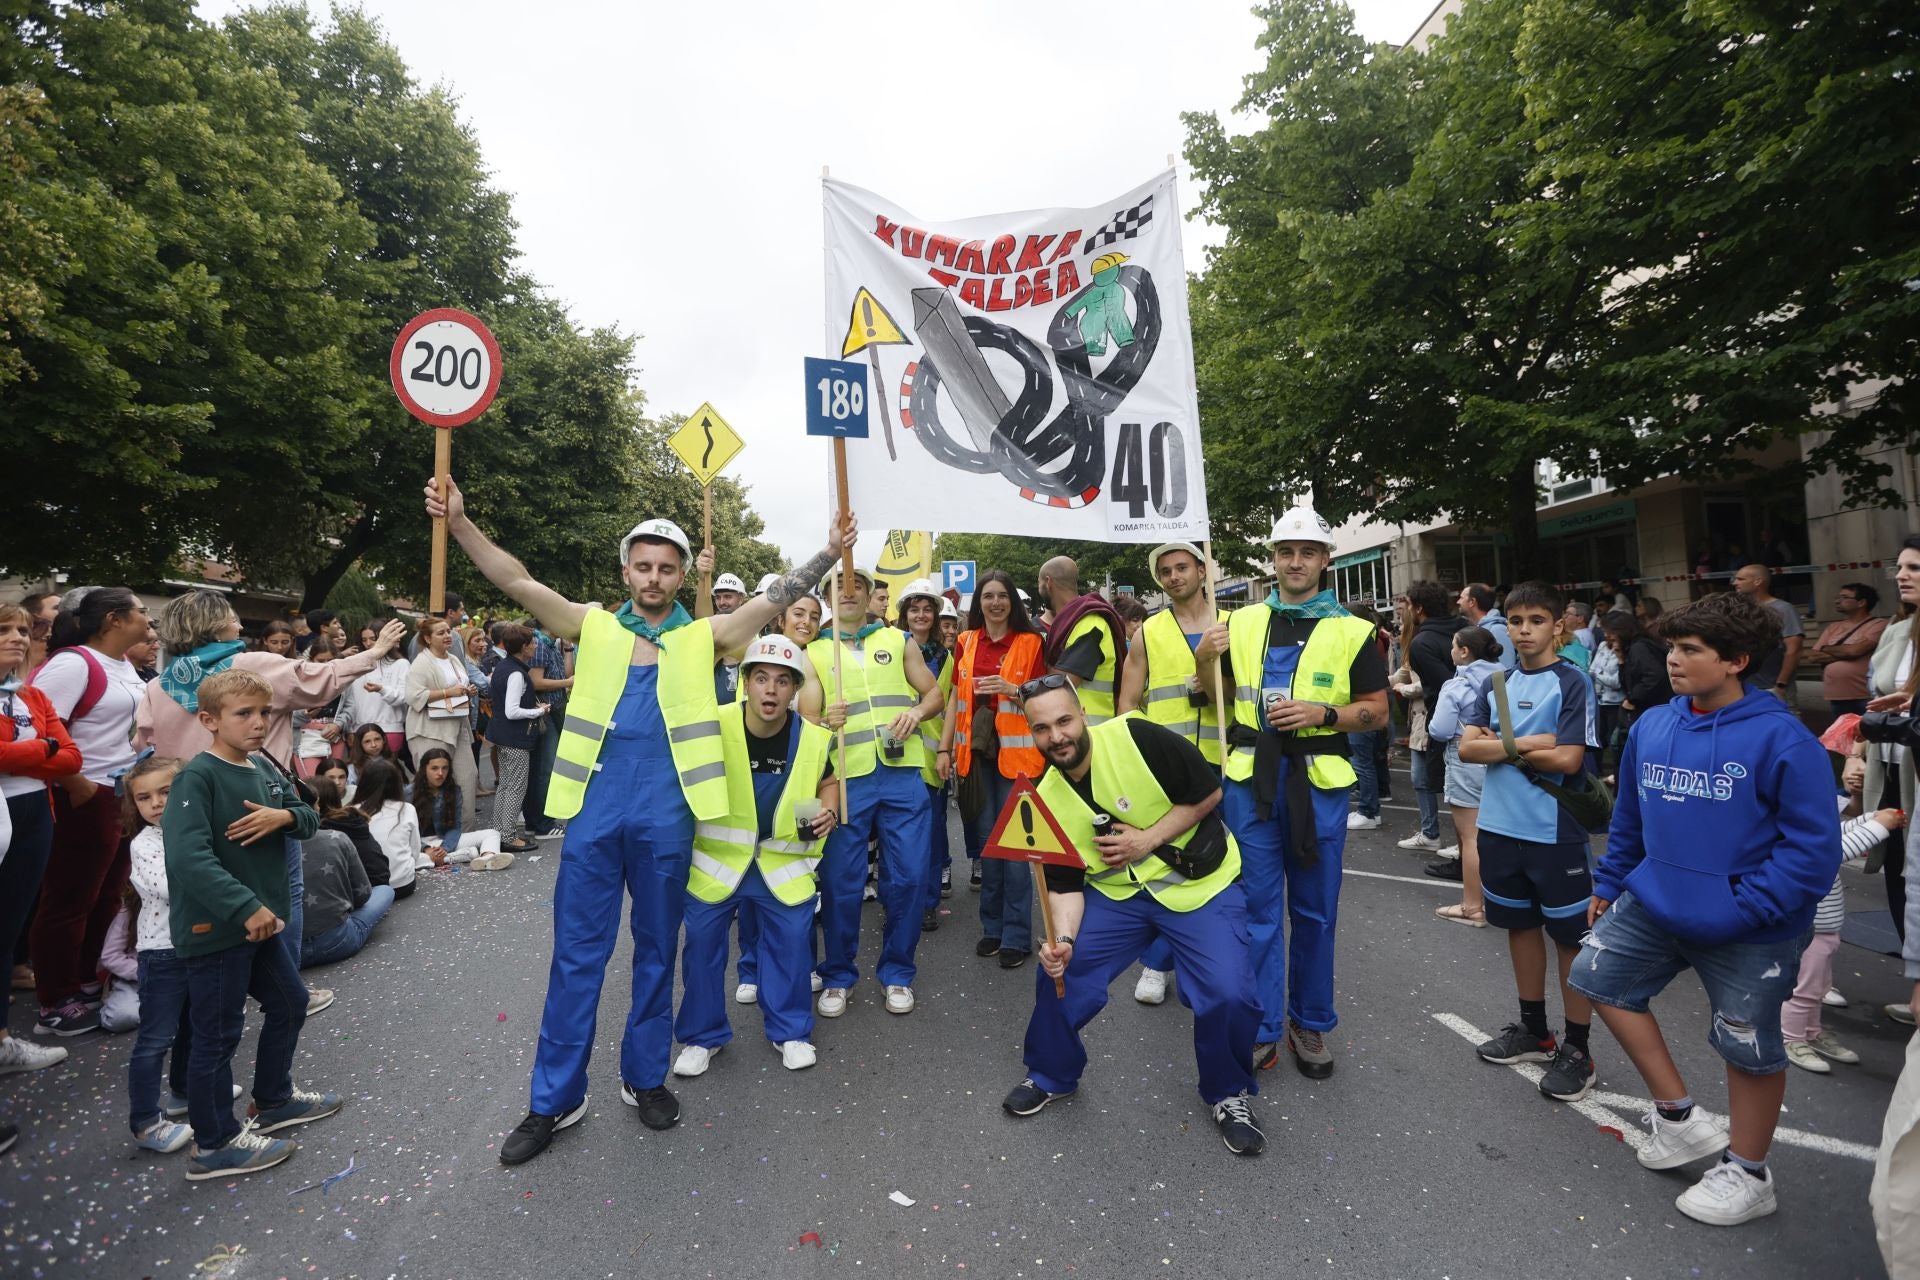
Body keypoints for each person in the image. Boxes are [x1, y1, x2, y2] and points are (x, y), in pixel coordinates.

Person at [428, 473, 851, 1165]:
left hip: (668, 814)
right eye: (643, 566)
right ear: (626, 570)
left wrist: (828, 553)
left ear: (682, 574)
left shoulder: (704, 637)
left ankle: (643, 1076)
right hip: (595, 812)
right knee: (576, 958)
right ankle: (555, 1099)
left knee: (657, 953)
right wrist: (462, 523)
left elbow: (779, 596)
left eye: (666, 567)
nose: (653, 578)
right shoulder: (589, 625)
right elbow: (518, 581)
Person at [1571, 591, 1839, 1226]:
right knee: (1596, 978)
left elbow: (1813, 851)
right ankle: (1678, 1119)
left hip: (1751, 925)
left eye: (1691, 651)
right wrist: (1609, 882)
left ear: (1736, 660)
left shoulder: (1783, 739)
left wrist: (1746, 907)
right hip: (1655, 902)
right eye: (1672, 648)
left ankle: (1749, 1173)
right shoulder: (1655, 724)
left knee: (1746, 1046)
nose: (1673, 661)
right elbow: (1630, 818)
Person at [1003, 679, 1266, 1155]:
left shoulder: (1136, 736)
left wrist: (1145, 840)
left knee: (1229, 992)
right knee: (1062, 972)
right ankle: (1052, 1074)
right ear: (1031, 733)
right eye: (1042, 728)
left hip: (1200, 887)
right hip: (1120, 896)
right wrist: (1061, 939)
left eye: (1063, 721)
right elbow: (1062, 888)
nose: (1056, 737)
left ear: (1082, 713)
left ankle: (1228, 1093)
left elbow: (1208, 792)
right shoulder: (1046, 799)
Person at [139, 589, 408, 1017]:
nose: (240, 625)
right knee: (282, 892)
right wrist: (374, 651)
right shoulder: (249, 666)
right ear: (212, 623)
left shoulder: (158, 684)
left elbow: (145, 741)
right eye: (231, 618)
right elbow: (318, 680)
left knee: (213, 894)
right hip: (258, 800)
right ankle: (286, 987)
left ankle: (226, 988)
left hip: (191, 803)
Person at [1218, 508, 1388, 1079]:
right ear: (1274, 558)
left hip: (1318, 784)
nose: (1295, 562)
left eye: (1307, 552)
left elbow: (1377, 711)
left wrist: (1324, 712)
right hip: (1251, 781)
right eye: (1286, 551)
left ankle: (1308, 1020)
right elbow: (1209, 690)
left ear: (1324, 561)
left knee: (1315, 911)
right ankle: (1263, 1025)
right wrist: (1200, 654)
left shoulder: (1355, 631)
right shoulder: (1238, 624)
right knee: (1256, 909)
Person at [162, 669, 340, 1180]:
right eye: (244, 714)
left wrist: (282, 818)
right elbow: (189, 859)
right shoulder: (198, 778)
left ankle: (274, 1100)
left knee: (290, 1002)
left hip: (263, 923)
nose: (259, 723)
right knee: (217, 1036)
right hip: (220, 928)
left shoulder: (262, 766)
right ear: (209, 720)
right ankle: (214, 1144)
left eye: (264, 712)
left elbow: (308, 817)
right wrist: (245, 907)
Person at [1458, 582, 1600, 1102]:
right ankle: (1535, 1031)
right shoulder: (1496, 680)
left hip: (1554, 830)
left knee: (1569, 940)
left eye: (1536, 620)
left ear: (1558, 624)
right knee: (1518, 927)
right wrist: (1531, 742)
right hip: (1499, 826)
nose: (1524, 630)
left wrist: (1499, 744)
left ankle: (1578, 1049)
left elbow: (1569, 760)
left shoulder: (1573, 681)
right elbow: (1467, 749)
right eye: (1516, 621)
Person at [673, 637, 839, 1075]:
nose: (771, 690)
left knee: (790, 950)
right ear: (745, 682)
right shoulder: (712, 723)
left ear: (794, 690)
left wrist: (831, 808)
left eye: (783, 681)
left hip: (783, 864)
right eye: (762, 678)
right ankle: (701, 1037)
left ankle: (790, 1031)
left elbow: (827, 780)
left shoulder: (815, 738)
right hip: (717, 863)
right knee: (702, 951)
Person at [804, 563, 943, 1018]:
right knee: (841, 884)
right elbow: (805, 721)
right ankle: (839, 974)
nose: (848, 592)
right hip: (845, 780)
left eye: (857, 585)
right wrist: (827, 721)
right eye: (838, 587)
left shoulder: (896, 640)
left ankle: (898, 972)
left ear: (868, 595)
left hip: (902, 777)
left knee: (907, 879)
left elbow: (934, 694)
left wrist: (917, 714)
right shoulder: (813, 653)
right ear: (828, 598)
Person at [28, 586, 150, 1036]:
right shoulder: (73, 663)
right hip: (84, 792)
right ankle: (54, 1003)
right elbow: (38, 723)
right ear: (115, 619)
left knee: (107, 892)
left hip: (118, 792)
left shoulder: (124, 664)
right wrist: (74, 783)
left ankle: (85, 979)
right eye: (140, 612)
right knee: (69, 898)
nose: (147, 619)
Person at [1117, 541, 1228, 1004]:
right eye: (1165, 571)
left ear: (1202, 570)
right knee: (1173, 864)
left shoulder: (1231, 626)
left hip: (1225, 760)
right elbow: (1127, 704)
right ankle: (1158, 963)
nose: (1173, 577)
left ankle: (1209, 958)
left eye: (1182, 567)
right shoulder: (1148, 633)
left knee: (1220, 865)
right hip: (1169, 770)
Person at [941, 571, 1047, 961]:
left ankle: (1017, 935)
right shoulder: (966, 641)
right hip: (975, 757)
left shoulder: (1032, 642)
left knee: (1016, 849)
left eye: (1003, 596)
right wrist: (945, 748)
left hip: (1018, 759)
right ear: (978, 602)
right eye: (989, 596)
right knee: (988, 846)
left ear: (1013, 603)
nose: (996, 602)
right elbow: (955, 697)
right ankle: (993, 927)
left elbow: (1045, 698)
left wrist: (1013, 690)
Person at [0, 604, 80, 1077]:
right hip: (5, 813)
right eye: (4, 629)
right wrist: (41, 749)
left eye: (23, 631)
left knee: (9, 930)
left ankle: (4, 1040)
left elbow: (71, 758)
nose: (17, 637)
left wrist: (30, 755)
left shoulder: (31, 695)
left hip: (35, 816)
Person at [121, 753, 202, 1154]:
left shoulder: (196, 828)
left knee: (192, 1025)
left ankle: (184, 1092)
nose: (155, 803)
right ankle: (145, 1122)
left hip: (197, 945)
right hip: (162, 952)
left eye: (166, 792)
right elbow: (174, 886)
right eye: (143, 797)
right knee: (155, 1039)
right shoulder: (144, 844)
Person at [1864, 535, 1920, 1022]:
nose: (1901, 576)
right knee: (1900, 871)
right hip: (1891, 765)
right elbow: (1875, 697)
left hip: (1915, 768)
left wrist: (1898, 720)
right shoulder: (1898, 631)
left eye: (1915, 568)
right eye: (1900, 566)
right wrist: (1863, 748)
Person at [1424, 627, 1503, 912]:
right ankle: (1499, 899)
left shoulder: (1457, 685)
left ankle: (1472, 905)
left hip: (1465, 754)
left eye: (1454, 646)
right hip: (1500, 752)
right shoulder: (1506, 678)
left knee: (1470, 838)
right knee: (1497, 832)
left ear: (1465, 651)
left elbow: (1440, 729)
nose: (1451, 651)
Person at [895, 578, 955, 929]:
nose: (920, 615)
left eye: (927, 609)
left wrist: (945, 749)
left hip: (931, 760)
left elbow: (950, 705)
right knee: (897, 838)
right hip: (895, 757)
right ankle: (899, 900)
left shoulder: (944, 657)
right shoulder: (887, 648)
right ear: (904, 615)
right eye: (914, 609)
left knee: (931, 837)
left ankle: (929, 902)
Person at [1397, 581, 1466, 856]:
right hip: (1475, 721)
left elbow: (1445, 686)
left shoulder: (1422, 642)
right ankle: (1459, 843)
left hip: (1442, 722)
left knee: (1452, 785)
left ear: (1419, 608)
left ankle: (1462, 847)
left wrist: (1405, 689)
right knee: (1460, 785)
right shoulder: (1463, 628)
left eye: (1410, 605)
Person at [405, 616, 481, 834]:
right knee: (433, 783)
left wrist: (468, 690)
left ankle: (465, 835)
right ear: (427, 638)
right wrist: (449, 692)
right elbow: (412, 696)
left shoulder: (453, 659)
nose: (448, 636)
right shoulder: (421, 663)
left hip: (458, 725)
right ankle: (430, 837)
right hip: (429, 730)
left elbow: (460, 686)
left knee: (468, 777)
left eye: (448, 631)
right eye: (441, 633)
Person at [1036, 555, 1125, 726]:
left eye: (1039, 584)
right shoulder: (1076, 621)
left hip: (1091, 731)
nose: (1039, 589)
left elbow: (1063, 684)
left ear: (1048, 582)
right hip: (1078, 728)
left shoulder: (1090, 623)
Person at [486, 624, 551, 855]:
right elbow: (512, 711)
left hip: (502, 735)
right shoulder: (516, 673)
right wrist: (539, 711)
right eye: (532, 642)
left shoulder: (505, 666)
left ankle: (498, 833)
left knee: (505, 786)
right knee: (515, 788)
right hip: (514, 738)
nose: (535, 645)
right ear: (523, 647)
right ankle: (509, 836)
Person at [299, 814, 394, 969]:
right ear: (316, 806)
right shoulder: (336, 837)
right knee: (385, 890)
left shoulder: (265, 849)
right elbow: (363, 895)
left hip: (291, 952)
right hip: (339, 941)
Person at [409, 747, 512, 870]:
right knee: (408, 856)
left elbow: (455, 827)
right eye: (434, 768)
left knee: (492, 833)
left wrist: (445, 848)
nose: (440, 773)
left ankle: (487, 859)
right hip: (417, 843)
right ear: (424, 769)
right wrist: (425, 848)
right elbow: (403, 832)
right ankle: (454, 857)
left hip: (442, 840)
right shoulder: (408, 792)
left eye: (445, 768)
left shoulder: (454, 790)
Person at [1809, 583, 1886, 716]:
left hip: (1865, 695)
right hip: (1837, 697)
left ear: (1861, 602)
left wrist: (1827, 649)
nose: (1837, 600)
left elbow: (1854, 651)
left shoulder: (1878, 624)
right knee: (1842, 734)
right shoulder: (1833, 627)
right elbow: (1813, 656)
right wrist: (1846, 652)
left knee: (1870, 734)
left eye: (1844, 597)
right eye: (1838, 597)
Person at [355, 760, 428, 898]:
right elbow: (415, 851)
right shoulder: (407, 808)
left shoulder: (352, 811)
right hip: (403, 885)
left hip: (369, 887)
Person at [1732, 563, 1804, 700]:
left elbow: (1794, 650)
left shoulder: (1784, 609)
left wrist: (1781, 684)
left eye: (1741, 579)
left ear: (1758, 581)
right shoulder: (1739, 610)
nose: (1735, 583)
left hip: (1771, 688)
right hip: (1742, 687)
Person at [345, 627, 410, 757]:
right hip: (360, 729)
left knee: (387, 772)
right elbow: (350, 700)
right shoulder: (355, 664)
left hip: (390, 727)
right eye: (364, 639)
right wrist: (351, 729)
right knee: (362, 772)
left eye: (373, 639)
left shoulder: (401, 664)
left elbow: (403, 697)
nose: (368, 643)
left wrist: (381, 689)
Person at [1591, 611, 1630, 774]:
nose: (1605, 635)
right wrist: (1599, 675)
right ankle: (1597, 774)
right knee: (1596, 740)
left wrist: (1597, 675)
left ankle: (1616, 774)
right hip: (1598, 701)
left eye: (1607, 631)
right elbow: (1591, 668)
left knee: (1614, 741)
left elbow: (1617, 682)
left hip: (1615, 703)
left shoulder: (1623, 649)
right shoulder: (1601, 646)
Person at [1458, 583, 1517, 670]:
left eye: (1461, 598)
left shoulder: (1497, 629)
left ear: (1472, 602)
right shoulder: (1476, 628)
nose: (1458, 601)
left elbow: (1506, 670)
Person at [407, 593, 467, 660]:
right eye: (461, 610)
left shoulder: (418, 636)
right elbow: (460, 668)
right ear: (451, 612)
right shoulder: (453, 637)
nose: (464, 613)